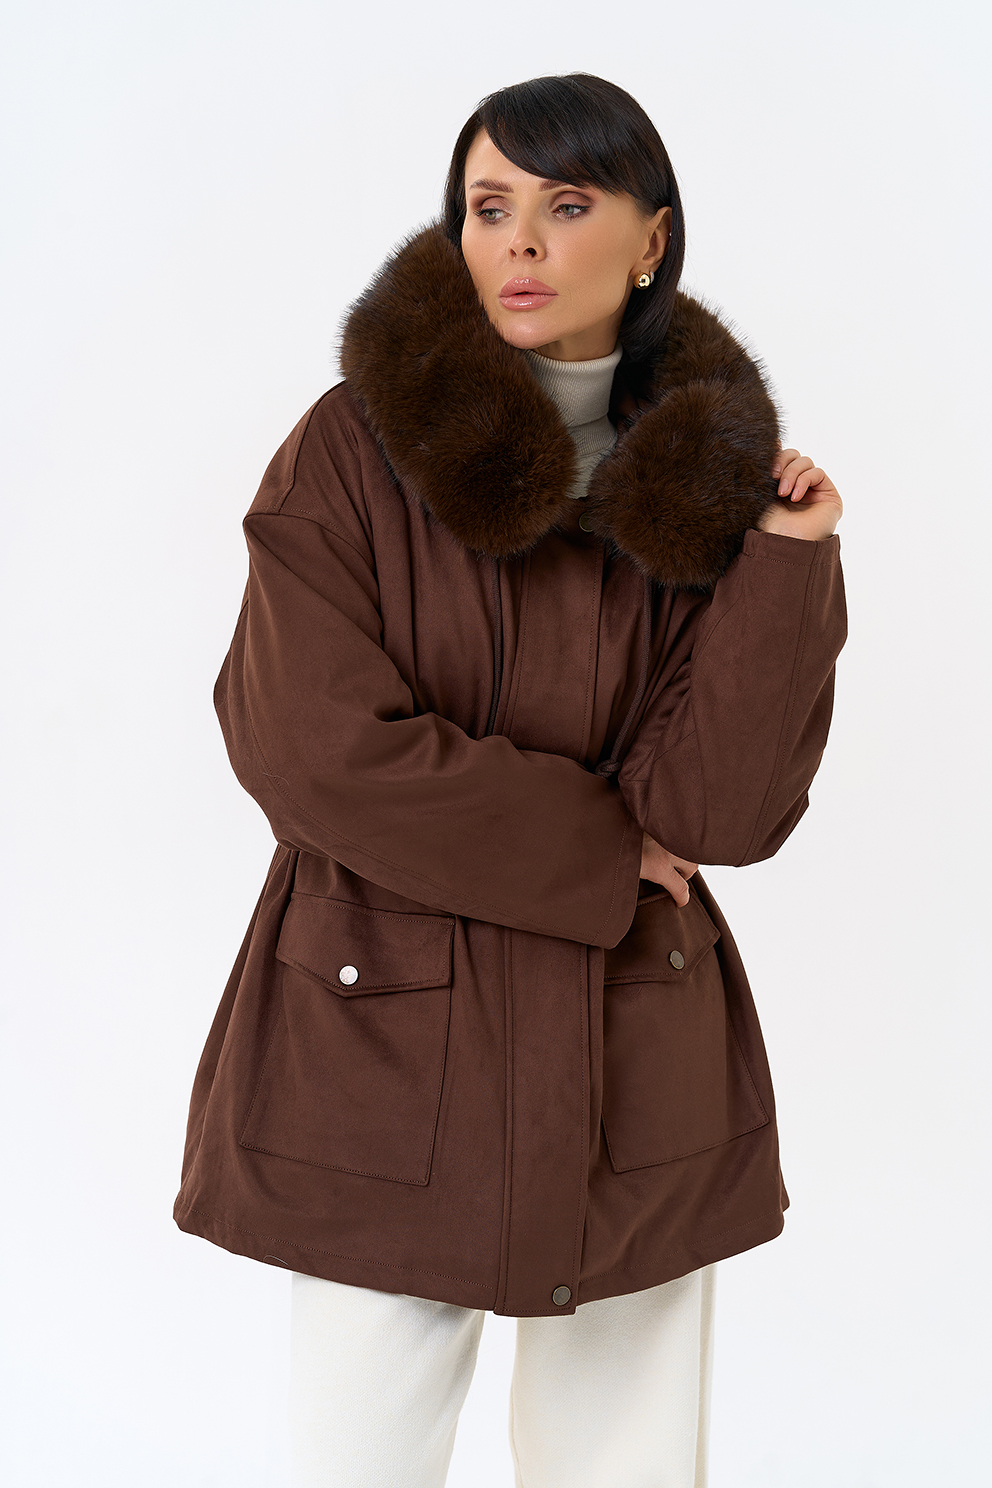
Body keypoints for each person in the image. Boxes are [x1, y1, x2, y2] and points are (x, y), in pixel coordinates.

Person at [174, 72, 846, 1487]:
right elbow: (309, 745)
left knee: (628, 1466)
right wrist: (603, 852)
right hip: (378, 1044)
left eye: (568, 203)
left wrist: (788, 568)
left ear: (652, 239)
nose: (522, 241)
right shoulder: (352, 450)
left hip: (635, 1048)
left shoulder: (710, 486)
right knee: (356, 1460)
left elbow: (716, 816)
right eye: (490, 207)